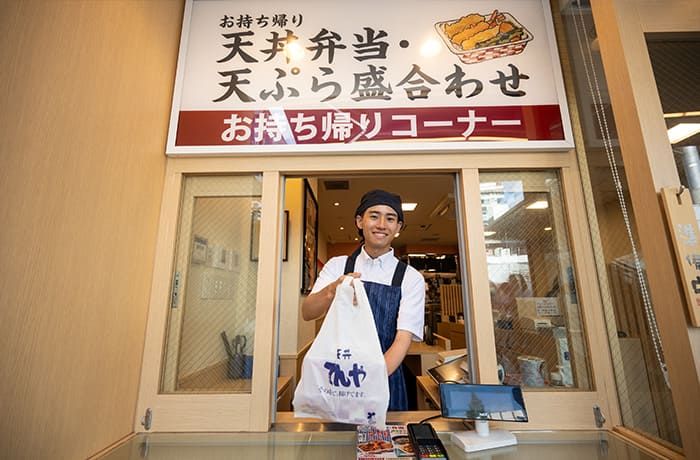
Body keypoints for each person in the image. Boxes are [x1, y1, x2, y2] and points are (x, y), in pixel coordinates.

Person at [302, 189, 425, 411]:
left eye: (390, 218)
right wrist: (333, 290)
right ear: (360, 221)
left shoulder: (410, 278)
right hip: (337, 379)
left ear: (397, 227)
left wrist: (367, 383)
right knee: (335, 443)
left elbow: (403, 339)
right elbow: (308, 312)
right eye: (374, 216)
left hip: (384, 378)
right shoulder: (337, 266)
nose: (381, 224)